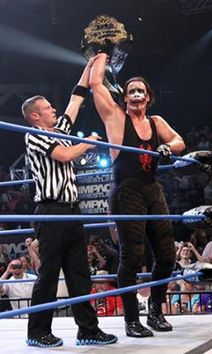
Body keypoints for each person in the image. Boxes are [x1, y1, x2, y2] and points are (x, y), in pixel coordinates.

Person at [21, 58, 118, 348]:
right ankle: (37, 332)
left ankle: (87, 329)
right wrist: (87, 143)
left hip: (72, 211)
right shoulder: (33, 135)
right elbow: (63, 156)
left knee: (79, 272)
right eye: (48, 107)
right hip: (51, 212)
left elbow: (76, 99)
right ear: (35, 116)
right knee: (48, 274)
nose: (54, 109)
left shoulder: (60, 130)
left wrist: (91, 63)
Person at [89, 53, 186, 337]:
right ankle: (131, 319)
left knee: (167, 254)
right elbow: (96, 84)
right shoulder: (117, 118)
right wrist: (104, 51)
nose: (135, 94)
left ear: (148, 96)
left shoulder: (156, 121)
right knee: (132, 256)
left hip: (152, 188)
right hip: (127, 188)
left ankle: (155, 310)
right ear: (125, 97)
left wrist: (170, 148)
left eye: (140, 90)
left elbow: (179, 140)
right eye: (131, 90)